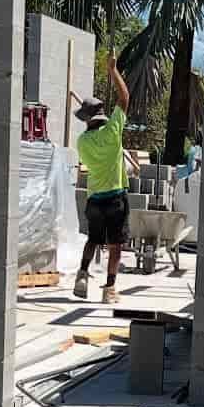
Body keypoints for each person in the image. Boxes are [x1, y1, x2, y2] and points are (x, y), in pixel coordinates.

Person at [73, 59, 132, 301]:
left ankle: (82, 275)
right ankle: (109, 290)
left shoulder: (82, 142)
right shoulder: (113, 131)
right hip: (115, 199)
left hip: (94, 200)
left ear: (86, 119)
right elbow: (125, 97)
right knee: (116, 246)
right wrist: (113, 70)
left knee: (93, 240)